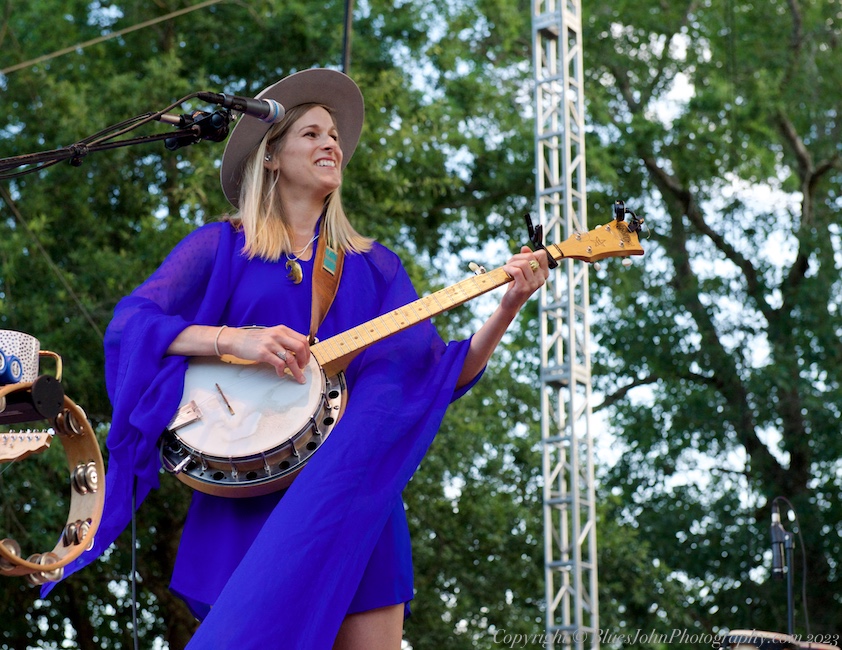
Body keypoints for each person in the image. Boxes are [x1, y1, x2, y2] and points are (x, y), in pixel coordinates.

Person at [43, 68, 548, 649]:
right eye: (311, 134)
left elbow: (432, 377)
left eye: (333, 135)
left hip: (350, 493)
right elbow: (133, 326)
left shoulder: (375, 266)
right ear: (272, 157)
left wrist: (508, 305)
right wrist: (233, 340)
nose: (330, 143)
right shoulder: (223, 245)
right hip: (246, 489)